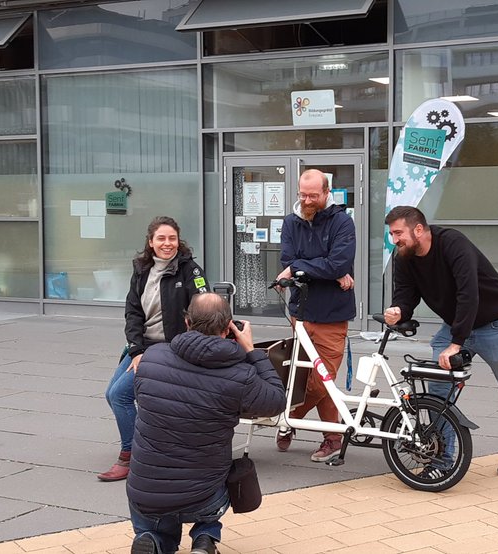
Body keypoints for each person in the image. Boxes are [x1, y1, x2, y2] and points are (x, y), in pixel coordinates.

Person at [382, 206, 498, 476]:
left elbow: (469, 294)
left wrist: (456, 343)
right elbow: (406, 293)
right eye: (392, 234)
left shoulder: (453, 244)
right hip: (457, 324)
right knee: (437, 393)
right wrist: (398, 310)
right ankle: (442, 462)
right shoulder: (404, 255)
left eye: (398, 233)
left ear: (418, 229)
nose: (394, 239)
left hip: (496, 323)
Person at [126, 293, 286, 554]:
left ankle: (153, 539)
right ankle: (205, 538)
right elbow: (276, 401)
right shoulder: (241, 375)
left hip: (146, 492)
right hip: (203, 496)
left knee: (155, 519)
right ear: (229, 327)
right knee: (217, 482)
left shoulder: (152, 358)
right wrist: (252, 351)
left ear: (187, 322)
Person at [98, 216, 208, 482]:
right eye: (161, 238)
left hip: (170, 348)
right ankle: (146, 448)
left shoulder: (190, 270)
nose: (167, 244)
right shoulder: (142, 269)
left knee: (121, 395)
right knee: (111, 395)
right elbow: (133, 312)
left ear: (178, 241)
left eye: (172, 238)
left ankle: (131, 454)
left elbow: (202, 311)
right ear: (150, 242)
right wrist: (136, 351)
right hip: (143, 346)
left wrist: (186, 348)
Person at [275, 168, 356, 463]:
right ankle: (332, 438)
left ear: (326, 193)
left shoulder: (342, 222)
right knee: (301, 376)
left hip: (332, 315)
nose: (307, 200)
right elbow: (287, 260)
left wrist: (302, 267)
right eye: (303, 194)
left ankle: (287, 418)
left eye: (313, 195)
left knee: (322, 381)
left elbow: (338, 263)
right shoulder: (290, 223)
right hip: (300, 312)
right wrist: (314, 267)